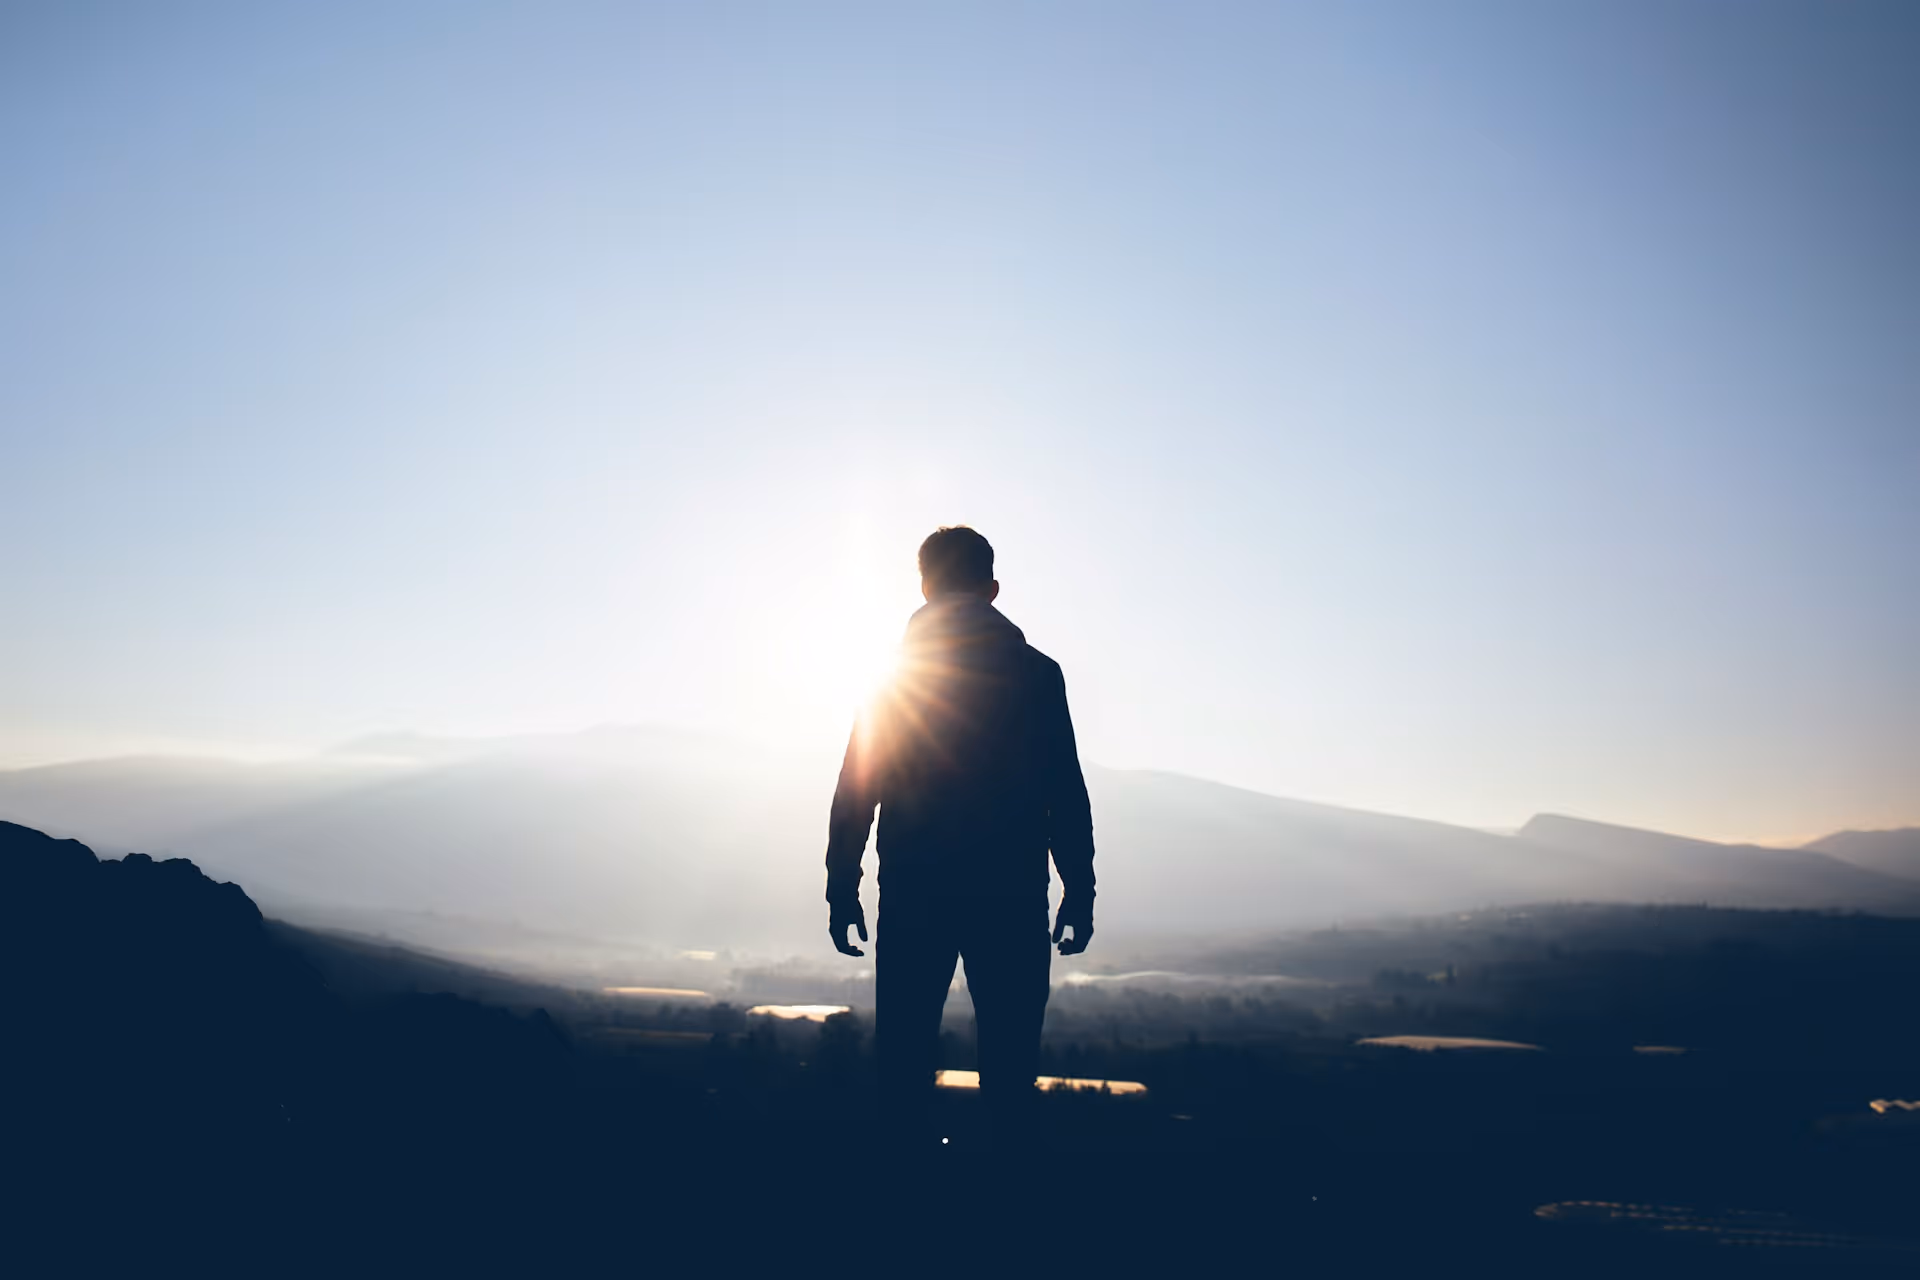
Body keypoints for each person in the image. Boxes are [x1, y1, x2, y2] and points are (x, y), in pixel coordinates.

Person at [825, 525, 1095, 1149]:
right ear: (993, 589)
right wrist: (1078, 890)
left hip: (916, 893)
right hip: (1013, 896)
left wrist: (844, 887)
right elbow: (1065, 790)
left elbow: (857, 785)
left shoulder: (893, 676)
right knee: (1010, 1069)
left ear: (923, 586)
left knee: (902, 1066)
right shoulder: (1038, 675)